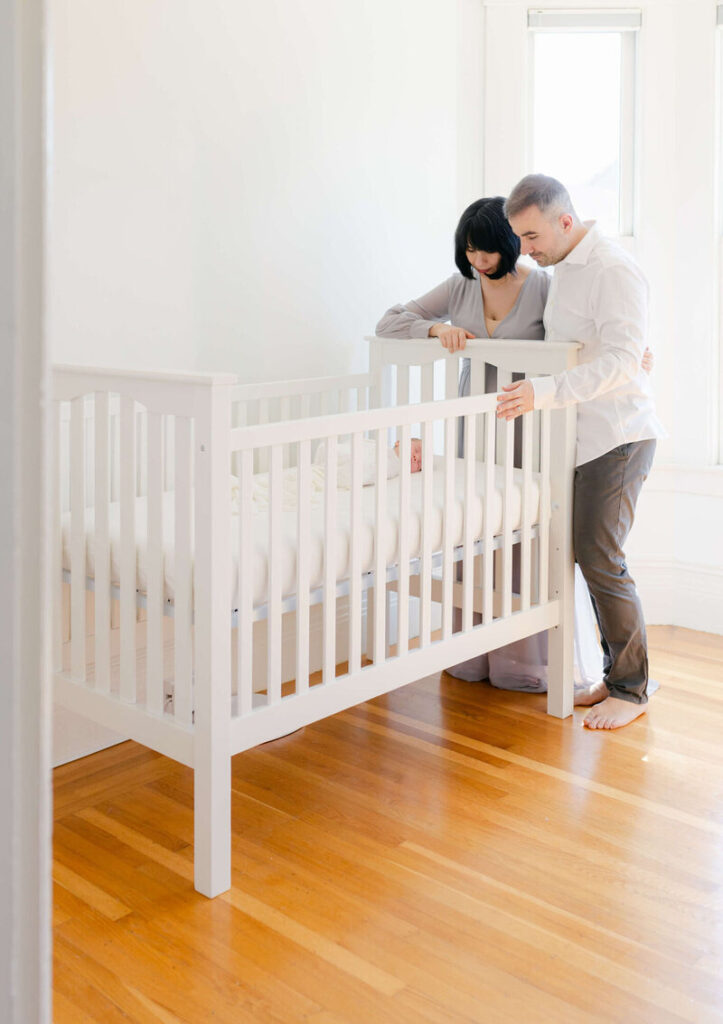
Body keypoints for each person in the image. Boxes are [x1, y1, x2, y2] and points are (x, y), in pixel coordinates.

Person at [376, 197, 651, 692]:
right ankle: (473, 653)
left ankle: (525, 660)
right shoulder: (460, 288)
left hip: (528, 417)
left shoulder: (544, 286)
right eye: (470, 250)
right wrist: (437, 329)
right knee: (474, 524)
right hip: (474, 419)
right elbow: (390, 321)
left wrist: (635, 353)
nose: (479, 261)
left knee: (523, 528)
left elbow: (583, 338)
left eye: (488, 250)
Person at [496, 174, 665, 729]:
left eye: (530, 235)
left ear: (565, 222)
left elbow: (620, 359)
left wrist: (542, 394)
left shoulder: (613, 269)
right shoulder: (562, 272)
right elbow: (594, 348)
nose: (525, 249)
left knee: (601, 558)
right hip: (584, 438)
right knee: (587, 557)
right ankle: (614, 675)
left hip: (617, 436)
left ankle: (632, 691)